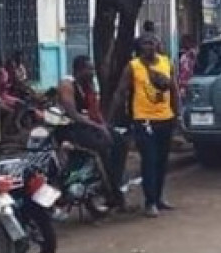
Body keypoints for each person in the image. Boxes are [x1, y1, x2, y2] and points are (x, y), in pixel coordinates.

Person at [116, 36, 180, 218]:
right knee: (149, 160)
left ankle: (159, 198)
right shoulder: (133, 67)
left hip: (165, 118)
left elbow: (174, 89)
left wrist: (178, 114)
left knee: (162, 161)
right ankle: (150, 202)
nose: (149, 46)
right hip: (144, 120)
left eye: (152, 43)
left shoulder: (166, 63)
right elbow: (121, 91)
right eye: (145, 43)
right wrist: (112, 117)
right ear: (139, 47)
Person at [56, 55, 125, 207]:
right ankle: (112, 192)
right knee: (103, 147)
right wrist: (99, 127)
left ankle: (114, 181)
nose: (92, 72)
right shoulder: (67, 84)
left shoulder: (88, 85)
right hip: (69, 128)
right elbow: (72, 114)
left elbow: (94, 110)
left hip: (87, 126)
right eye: (89, 69)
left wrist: (104, 126)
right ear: (79, 70)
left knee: (120, 141)